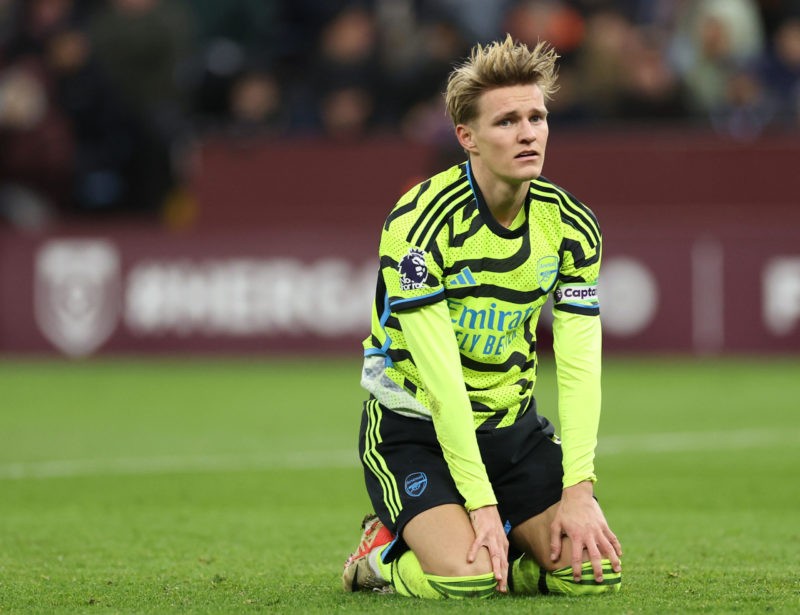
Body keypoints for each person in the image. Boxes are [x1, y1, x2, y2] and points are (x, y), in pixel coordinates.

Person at [341, 35, 623, 600]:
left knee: (591, 575)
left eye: (538, 117)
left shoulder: (570, 226)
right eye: (508, 121)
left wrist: (579, 491)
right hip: (415, 428)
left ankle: (511, 560)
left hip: (510, 433)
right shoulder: (420, 227)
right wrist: (482, 504)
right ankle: (381, 556)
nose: (528, 133)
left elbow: (578, 366)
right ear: (466, 138)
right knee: (460, 582)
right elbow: (442, 379)